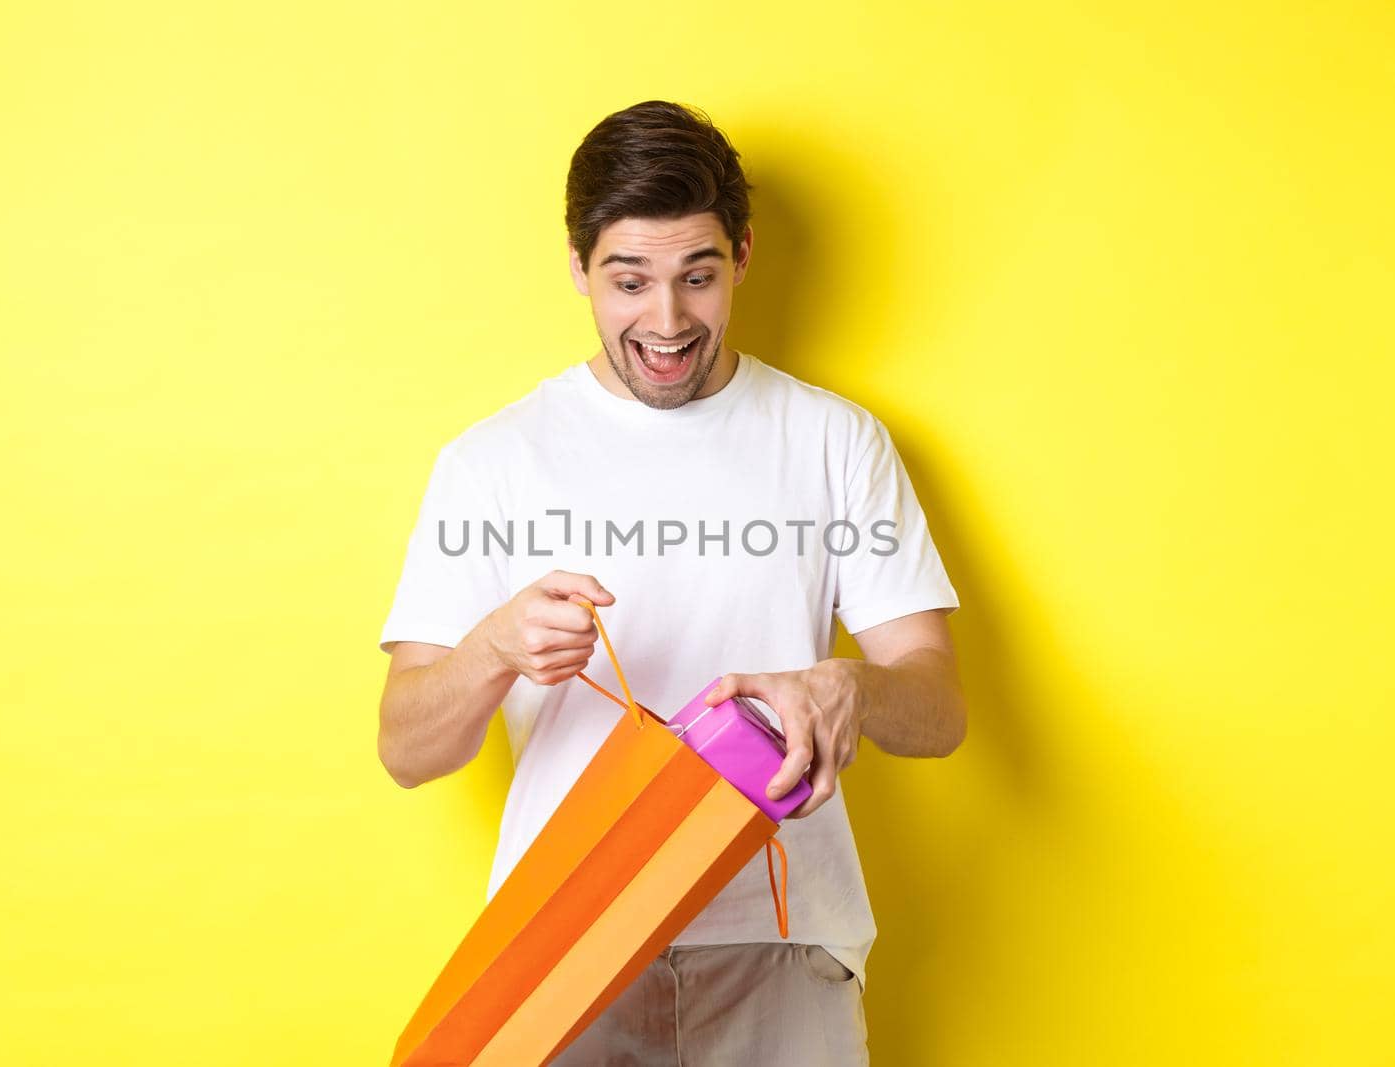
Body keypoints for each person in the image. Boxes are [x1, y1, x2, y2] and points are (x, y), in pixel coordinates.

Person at [376, 99, 966, 1065]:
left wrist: (847, 686)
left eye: (697, 276)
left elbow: (940, 709)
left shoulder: (833, 439)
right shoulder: (493, 462)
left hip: (783, 940)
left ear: (741, 255)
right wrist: (490, 649)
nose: (666, 321)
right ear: (577, 268)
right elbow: (407, 748)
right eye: (629, 281)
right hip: (563, 944)